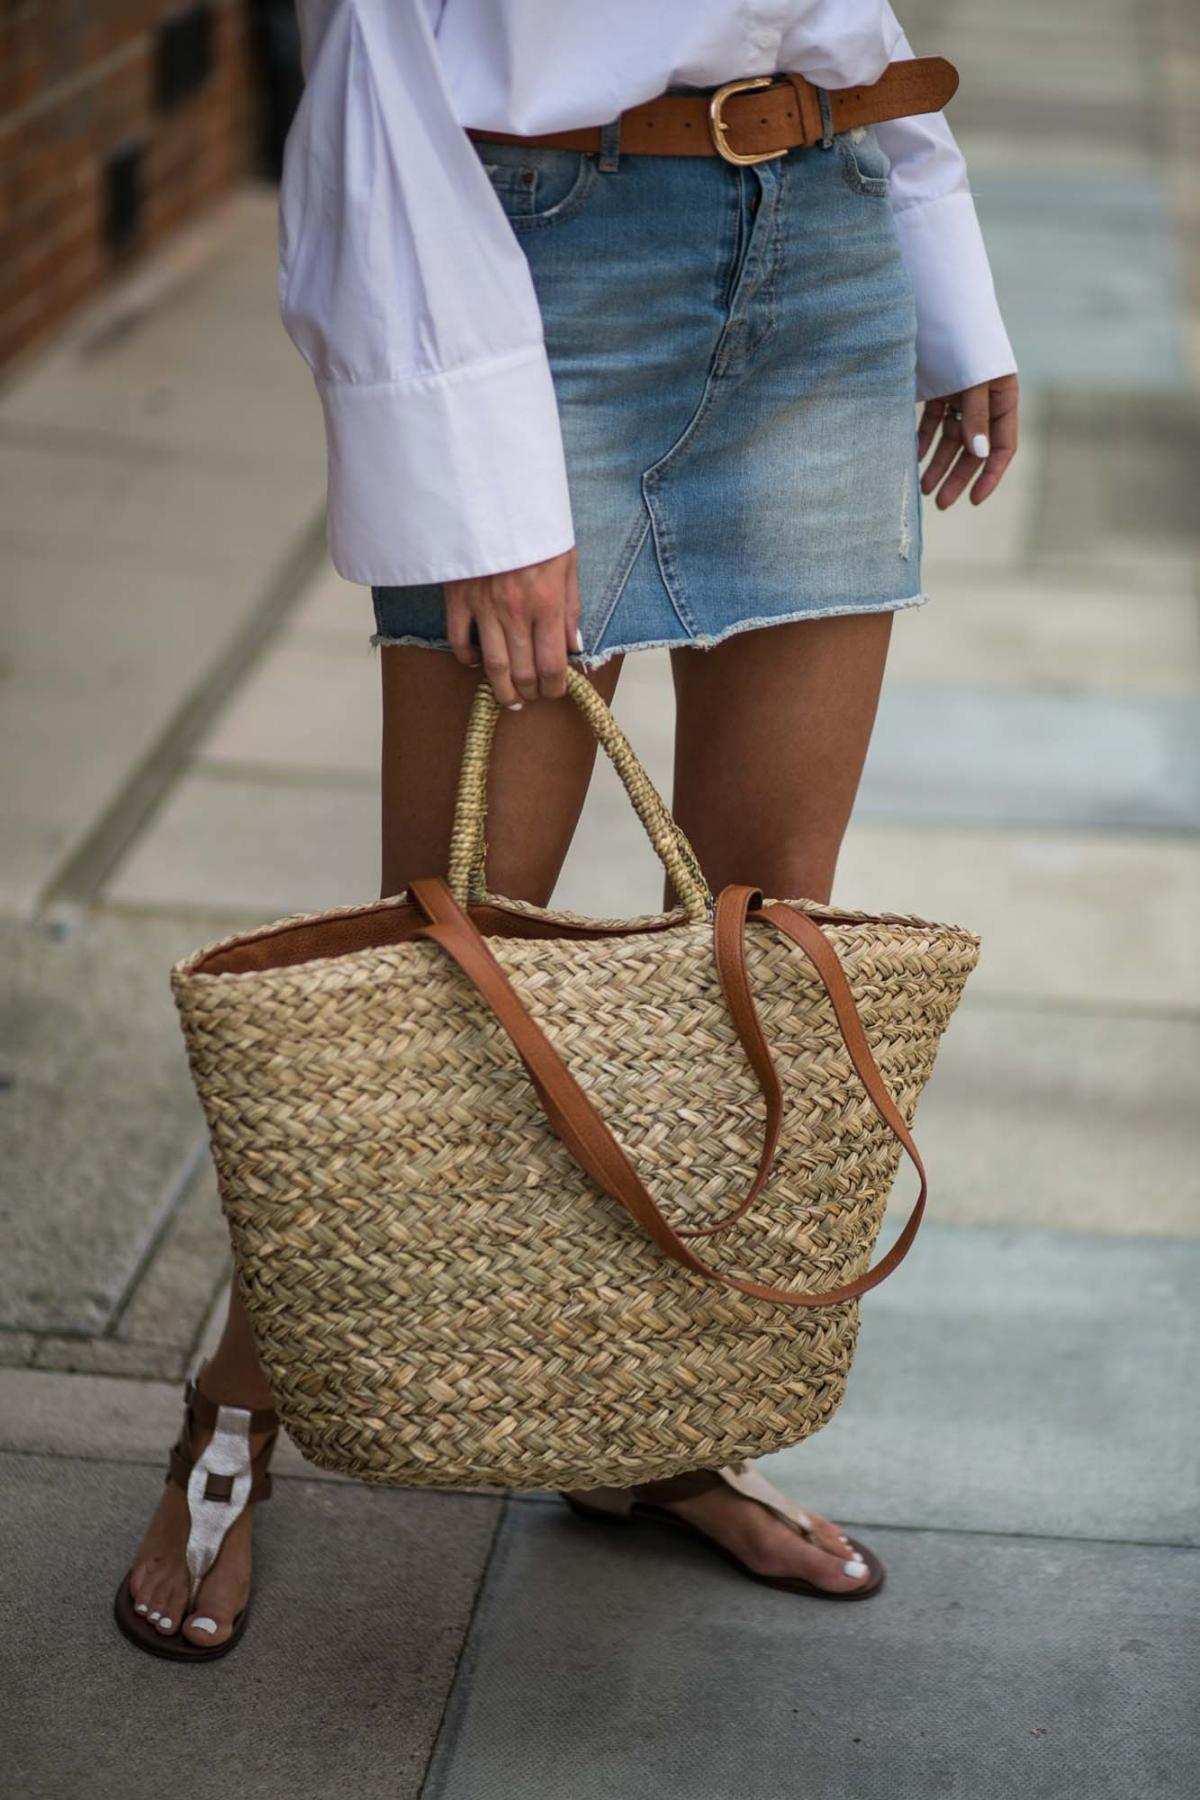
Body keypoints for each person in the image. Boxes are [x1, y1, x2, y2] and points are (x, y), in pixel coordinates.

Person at [118, 0, 1017, 1657]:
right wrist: (477, 479)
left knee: (767, 939)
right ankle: (235, 1402)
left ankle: (660, 1430)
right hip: (539, 261)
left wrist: (944, 266)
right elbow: (372, 70)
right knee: (450, 954)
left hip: (821, 235)